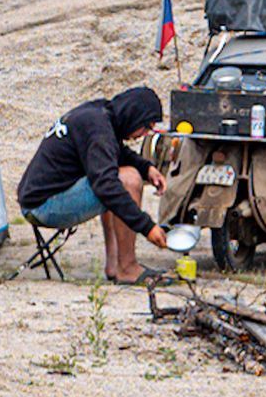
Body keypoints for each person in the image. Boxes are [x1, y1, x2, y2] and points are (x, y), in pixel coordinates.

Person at [18, 86, 169, 283]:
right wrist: (147, 227)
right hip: (44, 206)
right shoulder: (98, 127)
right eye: (146, 126)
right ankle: (128, 267)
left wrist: (146, 168)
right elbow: (106, 185)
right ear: (133, 115)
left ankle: (115, 265)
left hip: (38, 199)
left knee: (113, 176)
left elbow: (115, 152)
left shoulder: (99, 114)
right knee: (126, 180)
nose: (145, 134)